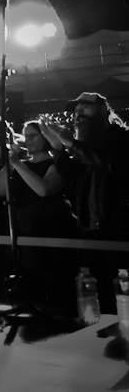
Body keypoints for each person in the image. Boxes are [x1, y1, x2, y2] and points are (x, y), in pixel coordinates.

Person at [40, 92, 129, 314]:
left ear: (102, 109)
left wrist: (71, 143)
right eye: (76, 111)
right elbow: (70, 175)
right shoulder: (84, 146)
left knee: (121, 292)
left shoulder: (122, 138)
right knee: (96, 293)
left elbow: (114, 167)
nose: (78, 114)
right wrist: (58, 149)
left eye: (84, 108)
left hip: (118, 230)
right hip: (88, 230)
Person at [0, 120, 78, 310]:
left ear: (45, 137)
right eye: (26, 136)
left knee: (56, 283)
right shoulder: (20, 165)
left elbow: (44, 189)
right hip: (25, 231)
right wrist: (10, 163)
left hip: (51, 230)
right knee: (32, 284)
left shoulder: (56, 163)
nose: (28, 140)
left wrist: (18, 164)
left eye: (33, 135)